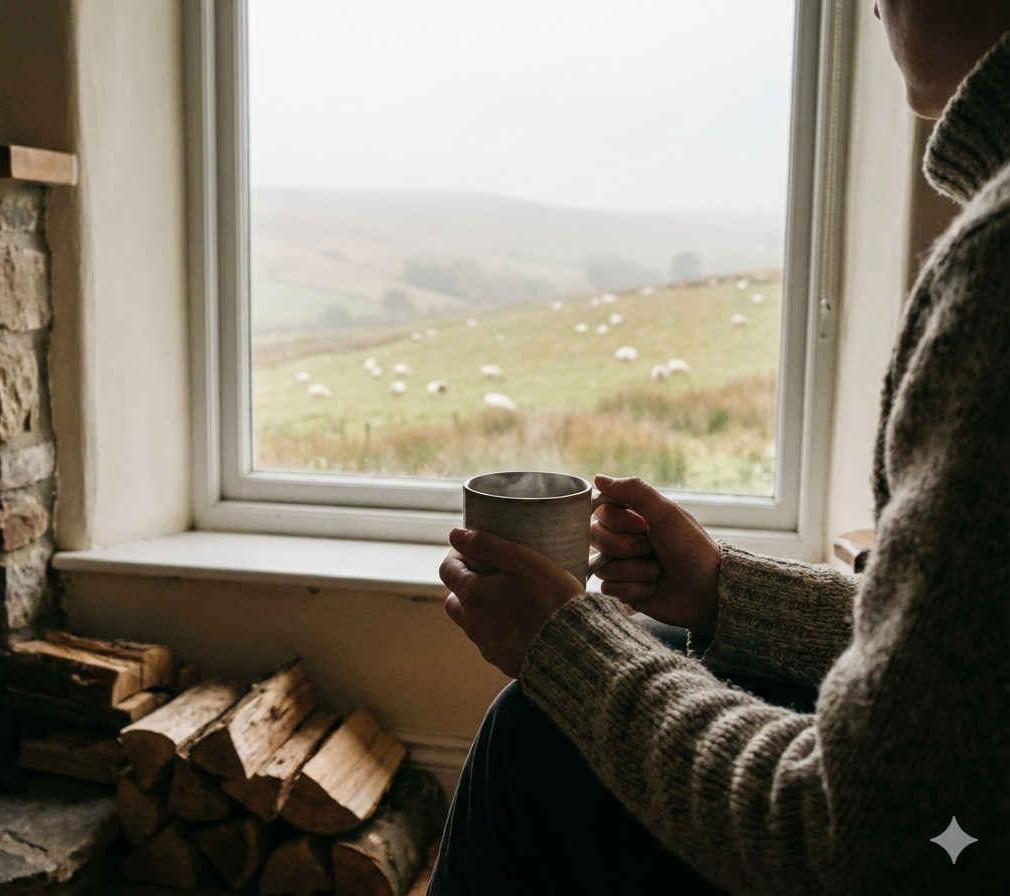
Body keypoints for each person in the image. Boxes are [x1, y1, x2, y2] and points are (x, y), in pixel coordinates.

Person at [431, 2, 1010, 893]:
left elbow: (859, 834)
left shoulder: (997, 266)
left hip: (954, 855)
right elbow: (964, 670)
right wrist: (726, 591)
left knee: (537, 738)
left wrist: (564, 647)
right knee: (648, 650)